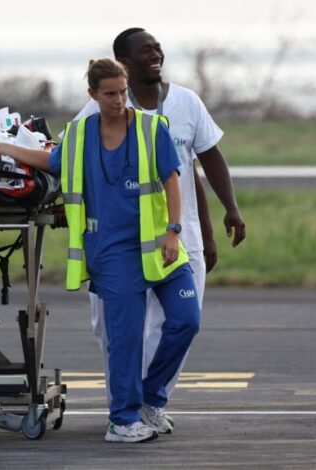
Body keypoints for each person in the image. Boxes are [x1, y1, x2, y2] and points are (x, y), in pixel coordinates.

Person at [0, 59, 200, 443]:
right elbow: (51, 162)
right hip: (112, 251)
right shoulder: (80, 133)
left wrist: (173, 231)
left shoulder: (152, 129)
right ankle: (122, 420)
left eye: (122, 91)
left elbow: (172, 180)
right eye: (110, 94)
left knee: (187, 320)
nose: (119, 100)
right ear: (93, 95)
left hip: (161, 247)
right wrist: (7, 148)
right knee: (126, 339)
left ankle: (151, 399)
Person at [71, 27, 245, 413]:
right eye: (145, 50)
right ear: (125, 63)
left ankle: (150, 403)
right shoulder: (101, 109)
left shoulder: (186, 102)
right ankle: (125, 404)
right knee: (112, 331)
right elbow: (70, 158)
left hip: (180, 235)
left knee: (179, 324)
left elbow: (198, 165)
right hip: (120, 240)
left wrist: (225, 215)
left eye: (157, 47)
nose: (156, 53)